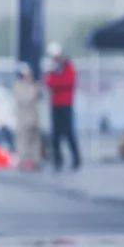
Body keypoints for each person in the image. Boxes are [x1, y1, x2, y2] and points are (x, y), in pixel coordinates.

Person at [44, 42, 81, 171]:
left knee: (69, 133)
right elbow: (49, 82)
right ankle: (58, 160)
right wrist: (56, 80)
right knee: (55, 135)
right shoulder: (52, 69)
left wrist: (56, 81)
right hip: (55, 105)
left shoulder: (69, 67)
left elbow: (68, 82)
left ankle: (76, 159)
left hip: (66, 105)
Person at [13, 63, 42, 171]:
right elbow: (26, 99)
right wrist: (34, 90)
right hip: (24, 120)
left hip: (34, 118)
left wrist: (35, 87)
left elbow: (39, 96)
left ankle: (35, 161)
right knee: (23, 142)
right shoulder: (18, 86)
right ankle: (23, 162)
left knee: (35, 142)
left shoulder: (32, 85)